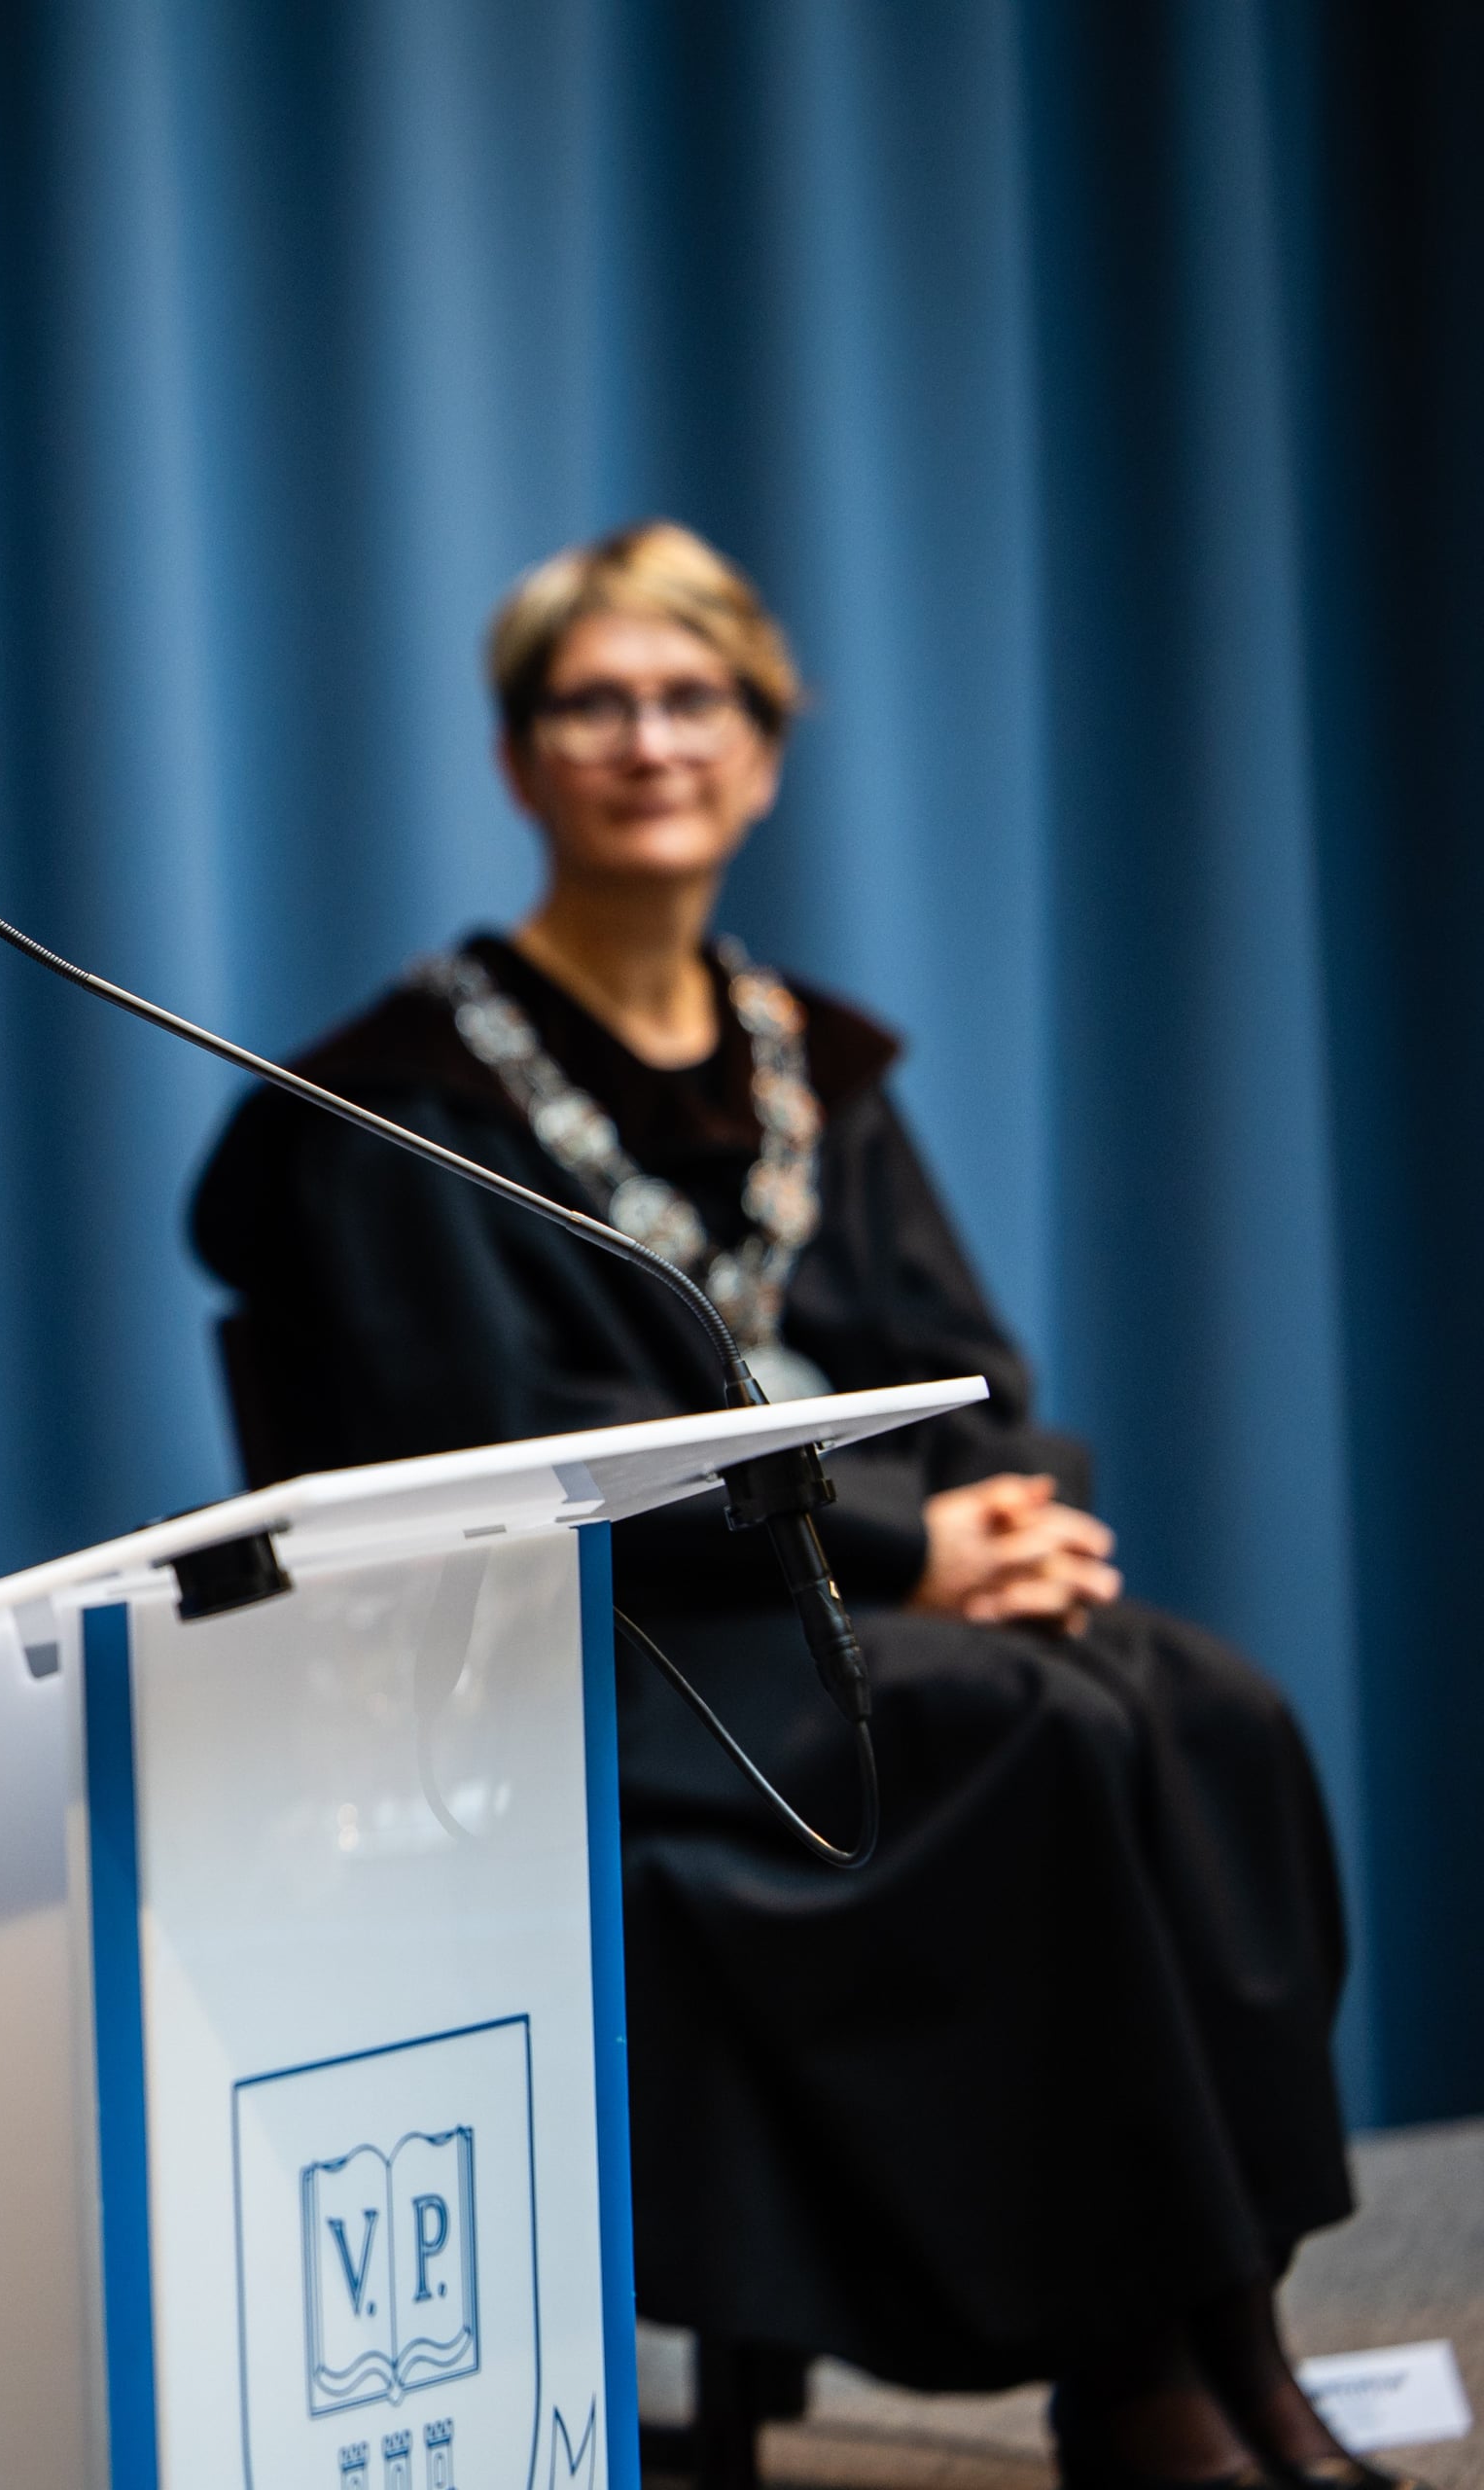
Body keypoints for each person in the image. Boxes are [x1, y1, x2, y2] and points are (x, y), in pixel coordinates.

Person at [192, 521, 1390, 2490]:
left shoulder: (809, 1061)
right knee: (1026, 1728)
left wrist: (1003, 1524)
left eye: (695, 700)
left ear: (763, 752)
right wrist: (908, 1550)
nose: (648, 740)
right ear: (515, 760)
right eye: (594, 703)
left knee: (1209, 1707)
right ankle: (1131, 2366)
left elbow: (971, 1363)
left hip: (855, 1623)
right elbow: (485, 1445)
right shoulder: (398, 1101)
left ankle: (1231, 2336)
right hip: (602, 1661)